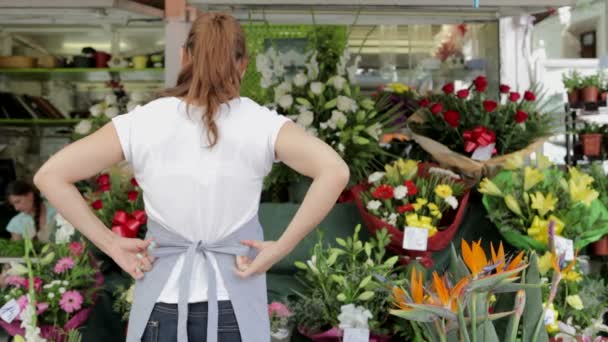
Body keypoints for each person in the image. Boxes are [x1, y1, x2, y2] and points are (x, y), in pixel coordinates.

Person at [34, 12, 349, 342]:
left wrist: (111, 243)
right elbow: (335, 170)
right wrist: (281, 247)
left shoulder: (143, 122)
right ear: (243, 64)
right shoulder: (261, 124)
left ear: (185, 56)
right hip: (234, 303)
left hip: (162, 302)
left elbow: (51, 175)